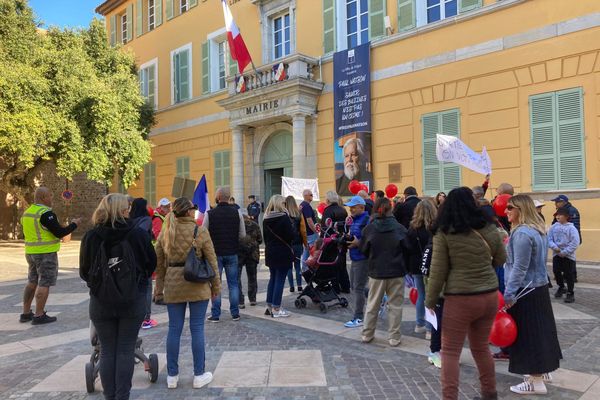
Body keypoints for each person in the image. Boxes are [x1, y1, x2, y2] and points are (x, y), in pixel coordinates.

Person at [425, 187, 506, 400]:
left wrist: (430, 300)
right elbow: (501, 259)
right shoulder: (489, 228)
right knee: (481, 348)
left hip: (460, 298)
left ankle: (449, 397)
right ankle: (490, 394)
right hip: (488, 295)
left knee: (450, 352)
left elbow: (438, 271)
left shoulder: (444, 233)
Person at [79, 193, 156, 400]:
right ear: (124, 210)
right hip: (132, 299)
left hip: (101, 301)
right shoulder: (138, 234)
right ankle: (122, 396)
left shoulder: (91, 236)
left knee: (106, 351)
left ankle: (109, 396)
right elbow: (151, 264)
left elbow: (84, 271)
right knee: (124, 350)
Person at [155, 197, 220, 389]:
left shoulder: (166, 231)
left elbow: (159, 266)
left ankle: (172, 376)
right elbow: (212, 261)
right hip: (197, 283)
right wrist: (215, 287)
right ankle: (199, 374)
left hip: (173, 285)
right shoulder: (200, 231)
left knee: (174, 330)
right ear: (189, 211)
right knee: (197, 329)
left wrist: (159, 290)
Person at [504, 195, 562, 395]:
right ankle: (543, 371)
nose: (506, 211)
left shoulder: (521, 233)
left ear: (521, 209)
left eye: (510, 207)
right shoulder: (537, 230)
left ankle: (535, 381)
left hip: (525, 290)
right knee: (542, 332)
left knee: (529, 336)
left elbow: (519, 267)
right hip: (538, 288)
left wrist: (509, 293)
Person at [20, 187, 82, 325]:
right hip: (46, 253)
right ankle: (39, 314)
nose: (51, 199)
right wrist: (74, 224)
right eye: (50, 196)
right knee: (44, 282)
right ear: (43, 197)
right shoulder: (46, 214)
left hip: (30, 252)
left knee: (32, 281)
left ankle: (25, 313)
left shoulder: (27, 213)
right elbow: (60, 232)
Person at [358, 197, 409, 347]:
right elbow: (407, 248)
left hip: (376, 271)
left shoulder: (370, 228)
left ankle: (367, 334)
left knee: (372, 304)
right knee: (395, 306)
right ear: (390, 209)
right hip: (396, 271)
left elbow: (363, 249)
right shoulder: (400, 228)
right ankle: (394, 337)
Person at [202, 186, 245, 322]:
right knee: (233, 284)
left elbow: (203, 234)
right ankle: (235, 313)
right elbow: (242, 235)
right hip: (232, 252)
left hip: (215, 254)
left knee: (216, 283)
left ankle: (215, 314)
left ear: (218, 197)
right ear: (228, 197)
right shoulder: (237, 213)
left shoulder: (210, 214)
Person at [406, 200, 437, 340]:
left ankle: (419, 324)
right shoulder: (434, 227)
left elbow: (408, 247)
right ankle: (430, 329)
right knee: (431, 297)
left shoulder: (413, 227)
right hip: (431, 265)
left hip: (416, 265)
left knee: (421, 295)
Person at [262, 195, 295, 318]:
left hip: (270, 252)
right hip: (282, 252)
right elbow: (291, 236)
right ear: (280, 204)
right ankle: (276, 308)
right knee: (280, 279)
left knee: (273, 278)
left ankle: (269, 306)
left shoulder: (265, 218)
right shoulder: (284, 218)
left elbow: (265, 238)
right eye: (284, 203)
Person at [129, 198, 157, 330]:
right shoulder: (146, 220)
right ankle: (146, 317)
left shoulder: (129, 220)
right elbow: (142, 235)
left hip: (131, 258)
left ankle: (135, 315)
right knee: (146, 288)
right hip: (144, 257)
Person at [343, 196, 370, 328]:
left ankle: (358, 317)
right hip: (355, 257)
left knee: (358, 288)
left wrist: (357, 243)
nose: (351, 209)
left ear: (362, 207)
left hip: (362, 258)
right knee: (355, 286)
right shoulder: (355, 220)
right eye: (350, 207)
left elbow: (370, 241)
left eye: (354, 207)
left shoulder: (366, 220)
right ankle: (380, 297)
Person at [548, 207, 580, 303]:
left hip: (568, 255)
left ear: (566, 217)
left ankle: (570, 292)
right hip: (556, 254)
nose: (558, 217)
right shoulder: (554, 227)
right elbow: (549, 239)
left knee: (568, 274)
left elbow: (575, 242)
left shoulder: (571, 228)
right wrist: (554, 247)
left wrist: (565, 252)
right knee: (556, 271)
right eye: (556, 215)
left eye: (560, 215)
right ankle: (561, 286)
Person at [322, 190, 350, 293]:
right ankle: (346, 286)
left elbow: (324, 228)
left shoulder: (327, 211)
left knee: (333, 265)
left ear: (328, 200)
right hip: (342, 240)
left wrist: (322, 241)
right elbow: (347, 225)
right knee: (342, 264)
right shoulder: (343, 210)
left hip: (332, 241)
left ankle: (336, 288)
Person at [551, 195, 581, 282]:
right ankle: (565, 276)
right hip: (563, 240)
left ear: (562, 202)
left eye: (557, 202)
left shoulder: (571, 211)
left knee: (570, 258)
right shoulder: (561, 211)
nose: (555, 204)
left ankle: (571, 276)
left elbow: (573, 226)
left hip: (570, 239)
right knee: (564, 260)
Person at [238, 209, 262, 307]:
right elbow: (260, 240)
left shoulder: (237, 226)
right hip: (252, 254)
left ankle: (240, 301)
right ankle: (252, 299)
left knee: (237, 278)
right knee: (252, 277)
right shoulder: (255, 225)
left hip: (239, 254)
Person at [285, 196, 306, 293]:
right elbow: (303, 230)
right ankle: (299, 286)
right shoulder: (298, 214)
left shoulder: (284, 214)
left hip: (288, 243)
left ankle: (291, 287)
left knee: (289, 266)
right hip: (298, 242)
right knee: (298, 265)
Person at [152, 198, 171, 305]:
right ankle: (159, 296)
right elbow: (158, 234)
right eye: (165, 206)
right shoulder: (158, 218)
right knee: (161, 273)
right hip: (159, 249)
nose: (168, 208)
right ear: (160, 207)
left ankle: (156, 295)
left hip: (161, 248)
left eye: (168, 206)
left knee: (161, 273)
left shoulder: (163, 217)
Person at [299, 189, 318, 270]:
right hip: (310, 233)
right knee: (312, 251)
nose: (312, 196)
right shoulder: (306, 206)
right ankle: (308, 269)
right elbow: (309, 220)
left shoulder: (302, 205)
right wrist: (315, 231)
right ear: (305, 196)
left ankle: (304, 268)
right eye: (311, 195)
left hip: (306, 233)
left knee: (306, 251)